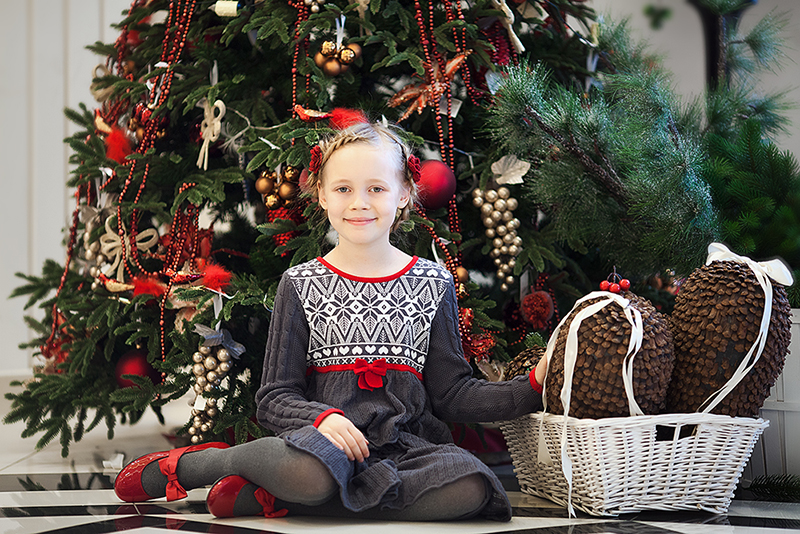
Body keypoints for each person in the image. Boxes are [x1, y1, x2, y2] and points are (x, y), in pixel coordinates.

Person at [114, 120, 547, 522]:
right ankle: (206, 463)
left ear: (404, 194)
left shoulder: (433, 283)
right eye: (343, 188)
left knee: (471, 486)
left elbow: (452, 393)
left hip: (408, 449)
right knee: (312, 473)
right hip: (324, 445)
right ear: (321, 195)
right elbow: (275, 397)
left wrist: (531, 386)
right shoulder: (301, 283)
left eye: (376, 188)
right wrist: (322, 418)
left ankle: (281, 497)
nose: (359, 203)